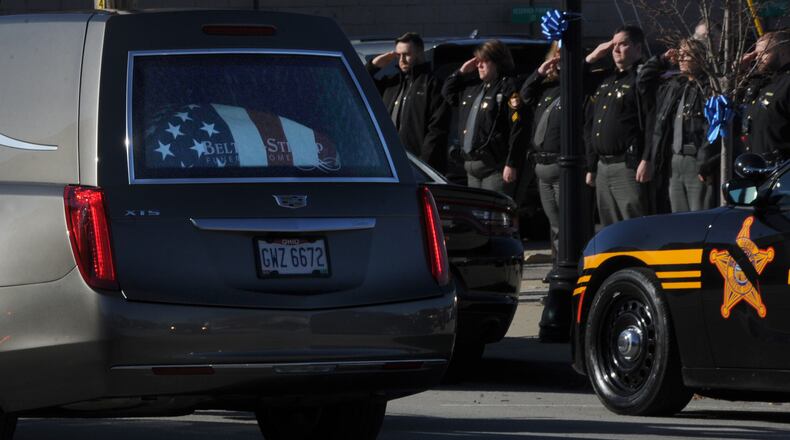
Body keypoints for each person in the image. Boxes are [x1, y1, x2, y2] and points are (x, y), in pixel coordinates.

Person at [584, 25, 655, 226]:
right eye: (613, 45)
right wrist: (593, 56)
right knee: (609, 226)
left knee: (633, 223)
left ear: (638, 48)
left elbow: (651, 121)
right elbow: (571, 80)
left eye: (623, 44)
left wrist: (647, 158)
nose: (615, 50)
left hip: (628, 165)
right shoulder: (606, 78)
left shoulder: (642, 77)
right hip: (602, 165)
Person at [639, 38, 718, 213]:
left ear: (701, 58)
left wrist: (704, 163)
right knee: (678, 216)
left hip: (696, 160)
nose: (681, 59)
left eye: (686, 55)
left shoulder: (709, 88)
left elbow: (712, 127)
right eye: (679, 55)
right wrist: (662, 60)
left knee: (699, 216)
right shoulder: (675, 86)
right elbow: (643, 81)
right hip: (673, 160)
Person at [441, 39, 527, 194]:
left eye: (484, 61)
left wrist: (512, 163)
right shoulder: (473, 88)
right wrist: (460, 72)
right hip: (471, 165)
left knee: (493, 213)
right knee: (477, 214)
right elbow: (448, 93)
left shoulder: (508, 87)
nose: (479, 66)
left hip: (495, 166)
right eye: (478, 61)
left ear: (498, 62)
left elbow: (518, 128)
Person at [366, 32, 450, 171]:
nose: (402, 60)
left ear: (420, 53)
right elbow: (361, 84)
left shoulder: (433, 85)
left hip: (419, 165)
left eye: (407, 54)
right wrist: (373, 65)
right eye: (398, 55)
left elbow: (436, 131)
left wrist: (423, 167)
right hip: (391, 162)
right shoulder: (392, 84)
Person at [520, 42, 562, 254]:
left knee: (564, 219)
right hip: (541, 163)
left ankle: (567, 261)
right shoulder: (545, 88)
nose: (558, 61)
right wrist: (539, 72)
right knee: (552, 218)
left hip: (560, 163)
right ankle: (557, 261)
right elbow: (525, 95)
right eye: (556, 56)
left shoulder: (572, 87)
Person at [740, 29, 790, 166]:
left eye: (764, 53)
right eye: (756, 54)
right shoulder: (760, 82)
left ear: (784, 52)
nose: (757, 58)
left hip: (781, 170)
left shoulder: (786, 83)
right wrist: (738, 70)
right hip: (755, 167)